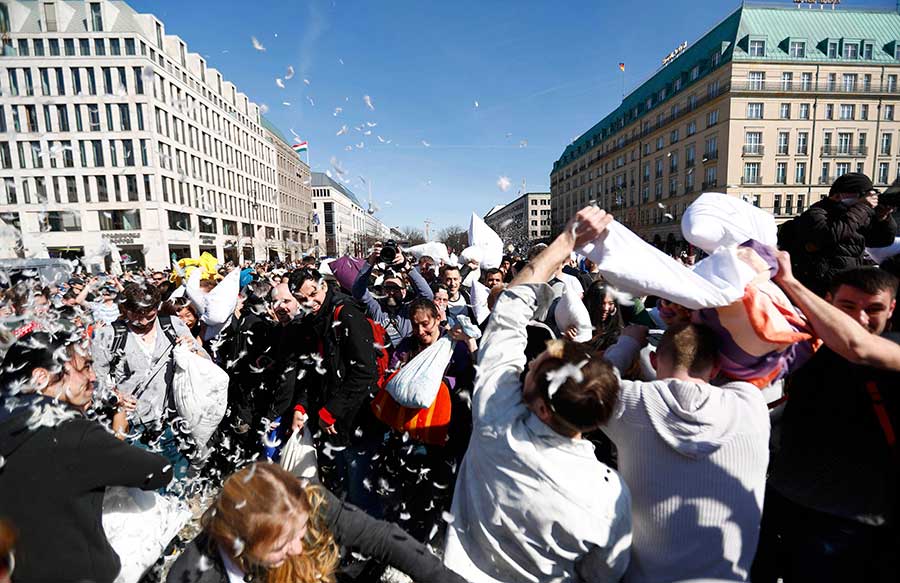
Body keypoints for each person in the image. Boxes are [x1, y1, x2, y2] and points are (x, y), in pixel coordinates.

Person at [443, 206, 632, 582]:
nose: (527, 365)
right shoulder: (608, 498)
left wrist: (568, 238)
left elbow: (510, 308)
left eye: (534, 370)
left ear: (543, 409)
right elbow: (603, 575)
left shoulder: (496, 419)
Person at [752, 259, 900, 583]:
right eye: (847, 305)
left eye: (874, 308)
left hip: (850, 521)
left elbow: (856, 346)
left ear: (892, 309)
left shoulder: (894, 351)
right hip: (783, 499)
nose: (860, 318)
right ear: (829, 301)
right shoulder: (811, 345)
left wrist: (789, 281)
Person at [601, 323, 770, 582]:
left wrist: (628, 343)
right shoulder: (751, 407)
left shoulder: (630, 401)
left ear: (654, 360)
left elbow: (583, 385)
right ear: (716, 368)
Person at [0, 329, 173, 583]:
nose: (93, 377)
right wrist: (118, 433)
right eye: (84, 368)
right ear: (40, 378)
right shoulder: (69, 432)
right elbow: (158, 471)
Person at [167, 463, 467, 583]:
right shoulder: (192, 577)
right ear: (238, 542)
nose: (298, 549)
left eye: (299, 533)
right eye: (282, 544)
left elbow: (381, 537)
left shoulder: (305, 498)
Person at [282, 268, 382, 514]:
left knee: (360, 490)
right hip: (331, 422)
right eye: (302, 299)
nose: (309, 302)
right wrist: (301, 406)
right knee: (342, 486)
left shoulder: (346, 314)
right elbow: (315, 369)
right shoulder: (313, 320)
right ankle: (347, 539)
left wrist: (331, 410)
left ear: (323, 287)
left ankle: (369, 546)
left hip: (358, 419)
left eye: (313, 294)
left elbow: (364, 371)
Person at [379, 298, 475, 542]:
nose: (421, 331)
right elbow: (394, 377)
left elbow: (469, 379)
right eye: (415, 325)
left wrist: (442, 384)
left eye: (426, 324)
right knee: (412, 490)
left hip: (444, 432)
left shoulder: (455, 347)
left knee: (441, 489)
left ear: (438, 319)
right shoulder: (407, 346)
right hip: (411, 433)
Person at [92, 283, 205, 484]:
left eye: (149, 314)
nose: (143, 321)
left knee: (177, 482)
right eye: (136, 314)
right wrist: (115, 396)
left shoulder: (172, 325)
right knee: (146, 488)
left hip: (173, 424)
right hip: (134, 427)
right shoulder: (109, 335)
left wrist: (193, 351)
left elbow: (205, 363)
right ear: (124, 309)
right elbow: (94, 381)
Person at [780, 172, 896, 296]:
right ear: (837, 195)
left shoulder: (856, 216)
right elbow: (830, 235)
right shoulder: (816, 213)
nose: (864, 199)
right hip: (820, 288)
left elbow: (883, 240)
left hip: (847, 286)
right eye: (861, 194)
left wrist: (883, 218)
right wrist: (862, 208)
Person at [352, 246, 434, 347]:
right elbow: (357, 291)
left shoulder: (409, 309)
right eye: (387, 288)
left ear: (403, 291)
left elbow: (427, 296)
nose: (391, 292)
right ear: (382, 290)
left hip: (404, 357)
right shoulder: (376, 307)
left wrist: (407, 266)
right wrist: (370, 263)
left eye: (395, 289)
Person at [583, 280, 624, 352]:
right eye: (601, 303)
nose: (605, 308)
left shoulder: (619, 335)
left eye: (610, 303)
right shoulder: (580, 326)